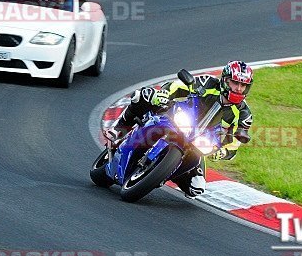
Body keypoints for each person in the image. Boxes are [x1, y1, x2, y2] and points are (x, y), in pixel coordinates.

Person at [104, 61, 254, 198]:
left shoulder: (243, 114)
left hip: (199, 140)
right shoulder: (208, 83)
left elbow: (236, 142)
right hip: (177, 117)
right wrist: (164, 94)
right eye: (235, 83)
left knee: (196, 187)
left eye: (243, 85)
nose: (239, 88)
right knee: (142, 95)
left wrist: (223, 152)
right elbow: (178, 86)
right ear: (226, 80)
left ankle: (162, 173)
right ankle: (119, 129)